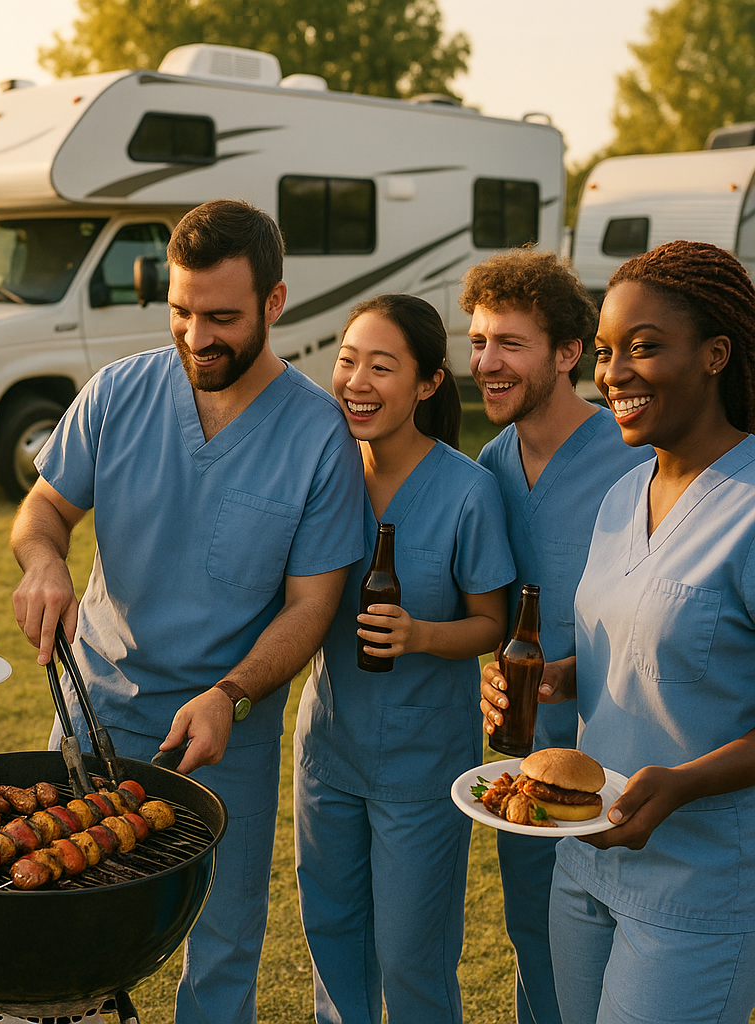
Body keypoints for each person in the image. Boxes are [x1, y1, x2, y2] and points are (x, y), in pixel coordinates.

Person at [10, 198, 364, 1024]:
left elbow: (312, 606)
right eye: (180, 312)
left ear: (274, 303)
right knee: (66, 924)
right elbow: (43, 510)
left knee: (222, 946)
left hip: (224, 733)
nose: (197, 337)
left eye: (222, 318)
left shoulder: (319, 434)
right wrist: (46, 562)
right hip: (95, 710)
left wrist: (231, 695)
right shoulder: (117, 392)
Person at [481, 240, 755, 1024]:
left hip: (697, 884)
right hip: (586, 859)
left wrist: (684, 784)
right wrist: (561, 677)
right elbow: (638, 644)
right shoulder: (624, 494)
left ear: (715, 355)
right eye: (605, 352)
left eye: (643, 347)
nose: (614, 373)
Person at [293, 293, 515, 1023]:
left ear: (427, 383)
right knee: (332, 938)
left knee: (411, 957)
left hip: (422, 762)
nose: (356, 382)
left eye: (381, 367)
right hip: (328, 750)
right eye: (347, 360)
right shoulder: (323, 474)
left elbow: (492, 623)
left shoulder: (467, 491)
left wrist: (419, 635)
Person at [462, 249, 650, 1024]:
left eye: (509, 343)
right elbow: (494, 612)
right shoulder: (490, 465)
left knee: (623, 952)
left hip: (629, 752)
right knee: (533, 937)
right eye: (478, 342)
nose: (486, 362)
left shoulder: (636, 454)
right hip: (528, 756)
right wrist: (491, 666)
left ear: (569, 353)